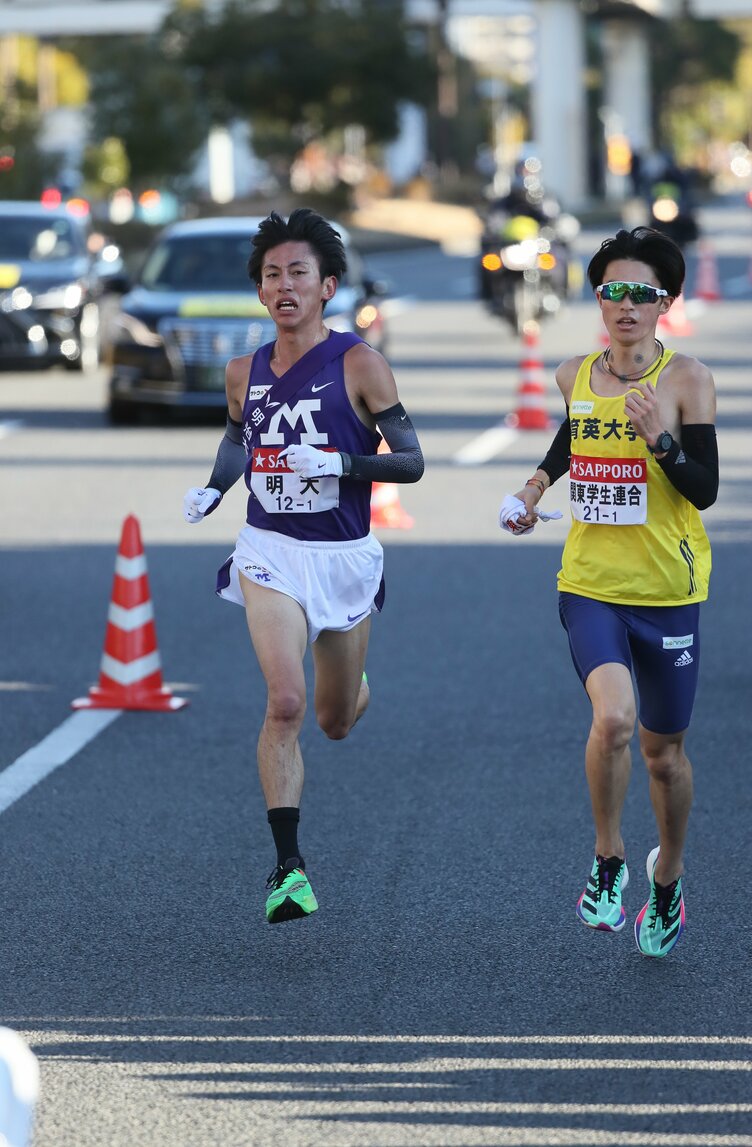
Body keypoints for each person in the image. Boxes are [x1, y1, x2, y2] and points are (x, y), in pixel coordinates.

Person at [183, 208, 424, 924]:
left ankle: (351, 687)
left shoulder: (359, 363)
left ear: (327, 287)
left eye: (297, 273)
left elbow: (410, 459)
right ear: (260, 292)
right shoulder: (243, 370)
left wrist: (343, 463)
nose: (283, 285)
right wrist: (215, 486)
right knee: (284, 702)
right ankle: (288, 867)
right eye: (271, 275)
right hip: (269, 552)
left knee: (335, 718)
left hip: (342, 556)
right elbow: (238, 439)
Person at [499, 226, 718, 958]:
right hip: (589, 583)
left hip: (668, 587)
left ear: (664, 303)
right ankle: (607, 858)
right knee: (614, 720)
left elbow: (705, 489)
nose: (624, 306)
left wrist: (660, 438)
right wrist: (532, 489)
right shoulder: (573, 373)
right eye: (611, 291)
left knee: (664, 753)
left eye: (641, 294)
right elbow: (571, 439)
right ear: (597, 297)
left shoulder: (687, 380)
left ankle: (669, 878)